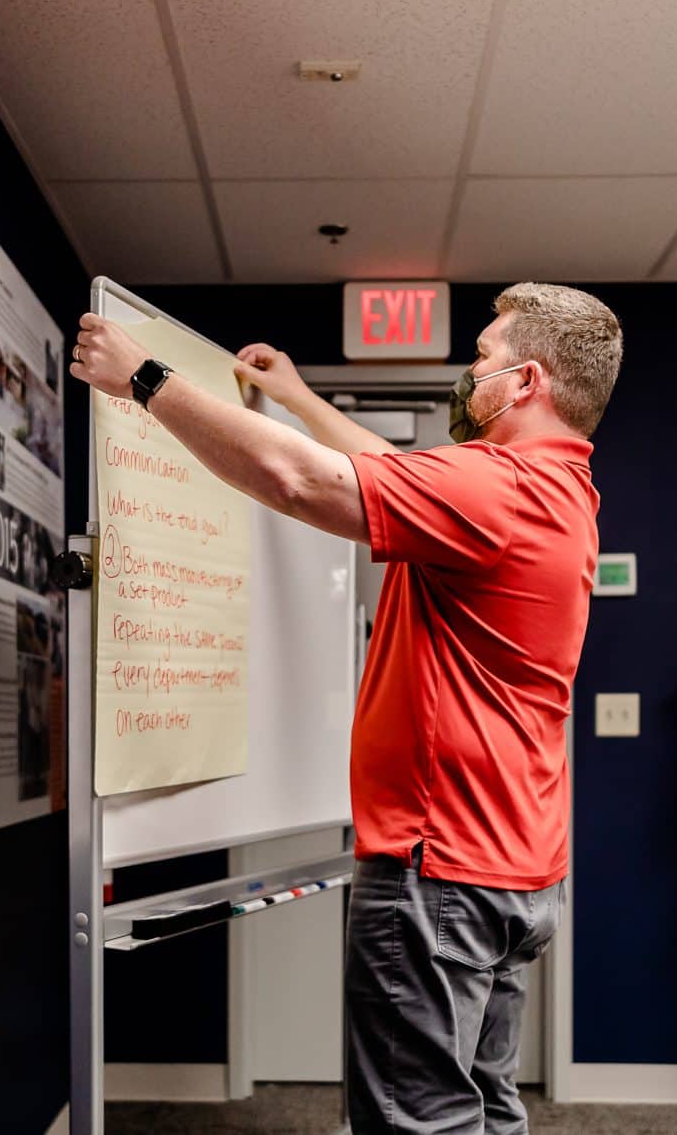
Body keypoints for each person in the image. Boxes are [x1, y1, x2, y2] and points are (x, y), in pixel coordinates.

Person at [70, 283, 622, 1134]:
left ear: (525, 383)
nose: (472, 370)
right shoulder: (558, 492)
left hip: (443, 874)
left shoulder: (499, 487)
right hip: (515, 869)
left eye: (483, 355)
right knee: (486, 1110)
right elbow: (387, 474)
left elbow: (295, 480)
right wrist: (296, 397)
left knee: (417, 1122)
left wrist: (144, 376)